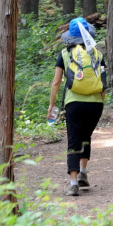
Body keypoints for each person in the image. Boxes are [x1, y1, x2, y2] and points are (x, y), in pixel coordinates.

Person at [47, 17, 106, 196]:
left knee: (74, 139)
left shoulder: (65, 54)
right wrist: (101, 102)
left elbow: (56, 82)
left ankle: (73, 183)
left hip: (74, 103)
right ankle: (83, 172)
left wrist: (51, 105)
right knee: (86, 137)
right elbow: (103, 83)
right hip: (95, 103)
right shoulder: (97, 54)